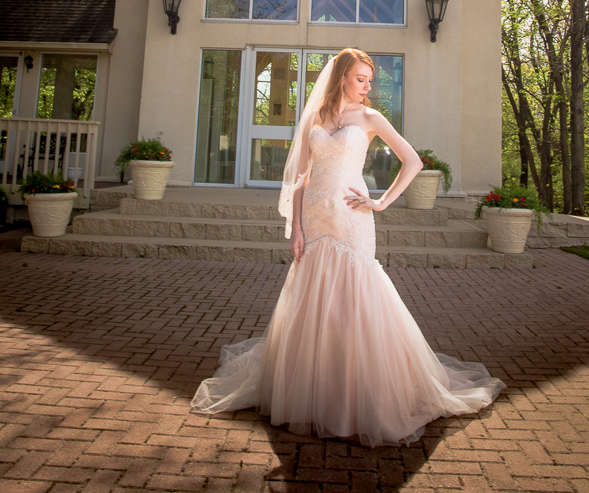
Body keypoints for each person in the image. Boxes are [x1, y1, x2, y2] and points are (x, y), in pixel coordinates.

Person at [190, 48, 504, 447]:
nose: (368, 86)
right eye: (361, 78)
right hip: (316, 222)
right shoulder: (315, 118)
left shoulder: (370, 118)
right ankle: (313, 390)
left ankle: (356, 396)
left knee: (352, 301)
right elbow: (301, 178)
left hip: (352, 221)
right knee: (313, 301)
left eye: (369, 80)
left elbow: (412, 161)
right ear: (341, 77)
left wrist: (382, 202)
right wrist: (295, 229)